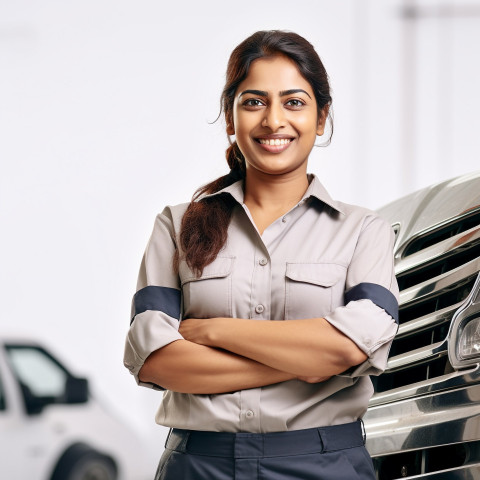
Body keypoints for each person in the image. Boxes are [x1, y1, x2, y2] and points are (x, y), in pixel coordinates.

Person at [124, 30, 399, 480]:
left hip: (324, 465)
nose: (274, 120)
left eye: (294, 102)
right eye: (254, 102)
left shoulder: (362, 231)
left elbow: (346, 349)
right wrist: (305, 362)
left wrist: (213, 331)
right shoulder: (177, 226)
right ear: (230, 118)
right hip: (199, 466)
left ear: (322, 116)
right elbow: (156, 360)